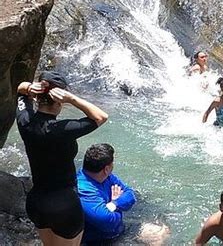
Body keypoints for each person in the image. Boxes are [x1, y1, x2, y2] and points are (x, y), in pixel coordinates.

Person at [16, 71, 108, 246]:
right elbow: (100, 116)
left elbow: (20, 91)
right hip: (64, 206)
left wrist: (28, 87)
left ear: (36, 97)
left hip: (37, 202)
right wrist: (72, 99)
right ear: (59, 100)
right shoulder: (63, 129)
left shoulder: (25, 122)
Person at [77, 143, 136, 244]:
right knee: (156, 236)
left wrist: (114, 204)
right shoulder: (83, 189)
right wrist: (117, 205)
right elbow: (108, 223)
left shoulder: (106, 177)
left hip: (116, 231)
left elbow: (130, 195)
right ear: (106, 169)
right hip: (96, 241)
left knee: (160, 230)